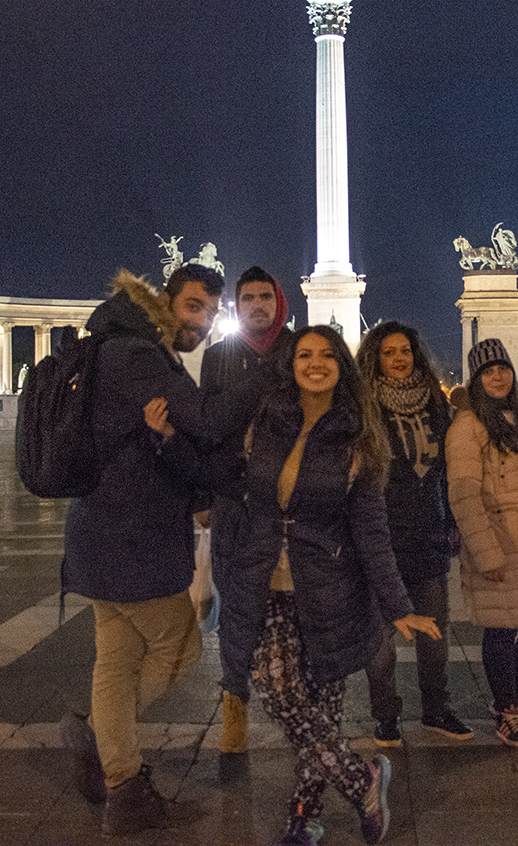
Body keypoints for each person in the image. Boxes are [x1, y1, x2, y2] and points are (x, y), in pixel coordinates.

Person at [57, 264, 269, 837]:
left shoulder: (120, 345)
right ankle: (104, 746)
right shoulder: (138, 356)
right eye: (194, 307)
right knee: (182, 647)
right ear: (166, 301)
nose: (201, 323)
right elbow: (204, 418)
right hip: (132, 537)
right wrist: (266, 374)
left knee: (117, 659)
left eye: (207, 311)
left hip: (101, 531)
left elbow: (181, 431)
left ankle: (123, 788)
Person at [214, 326, 437, 846]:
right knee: (277, 686)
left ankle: (304, 816)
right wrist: (170, 443)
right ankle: (363, 778)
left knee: (322, 709)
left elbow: (371, 528)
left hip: (331, 586)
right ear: (290, 363)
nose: (315, 363)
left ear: (343, 365)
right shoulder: (265, 422)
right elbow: (226, 480)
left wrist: (397, 604)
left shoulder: (359, 436)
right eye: (304, 355)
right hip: (265, 580)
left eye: (327, 356)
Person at [356, 322, 471, 749]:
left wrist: (453, 520)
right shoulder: (363, 407)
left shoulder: (437, 406)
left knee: (434, 630)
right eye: (389, 352)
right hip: (381, 537)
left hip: (428, 531)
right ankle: (385, 714)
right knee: (381, 640)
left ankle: (436, 708)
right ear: (376, 358)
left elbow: (450, 467)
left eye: (405, 350)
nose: (400, 358)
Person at [448, 338, 518, 749]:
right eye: (487, 371)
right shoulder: (467, 426)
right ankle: (507, 709)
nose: (498, 376)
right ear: (476, 379)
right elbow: (462, 494)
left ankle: (516, 692)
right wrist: (485, 552)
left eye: (503, 368)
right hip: (499, 540)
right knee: (499, 627)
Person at [198, 265, 291, 758]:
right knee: (237, 608)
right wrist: (203, 498)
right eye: (248, 298)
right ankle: (234, 703)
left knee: (293, 604)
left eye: (265, 297)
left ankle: (303, 704)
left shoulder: (302, 349)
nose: (257, 305)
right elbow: (206, 427)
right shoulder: (218, 357)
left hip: (288, 502)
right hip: (235, 502)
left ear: (279, 302)